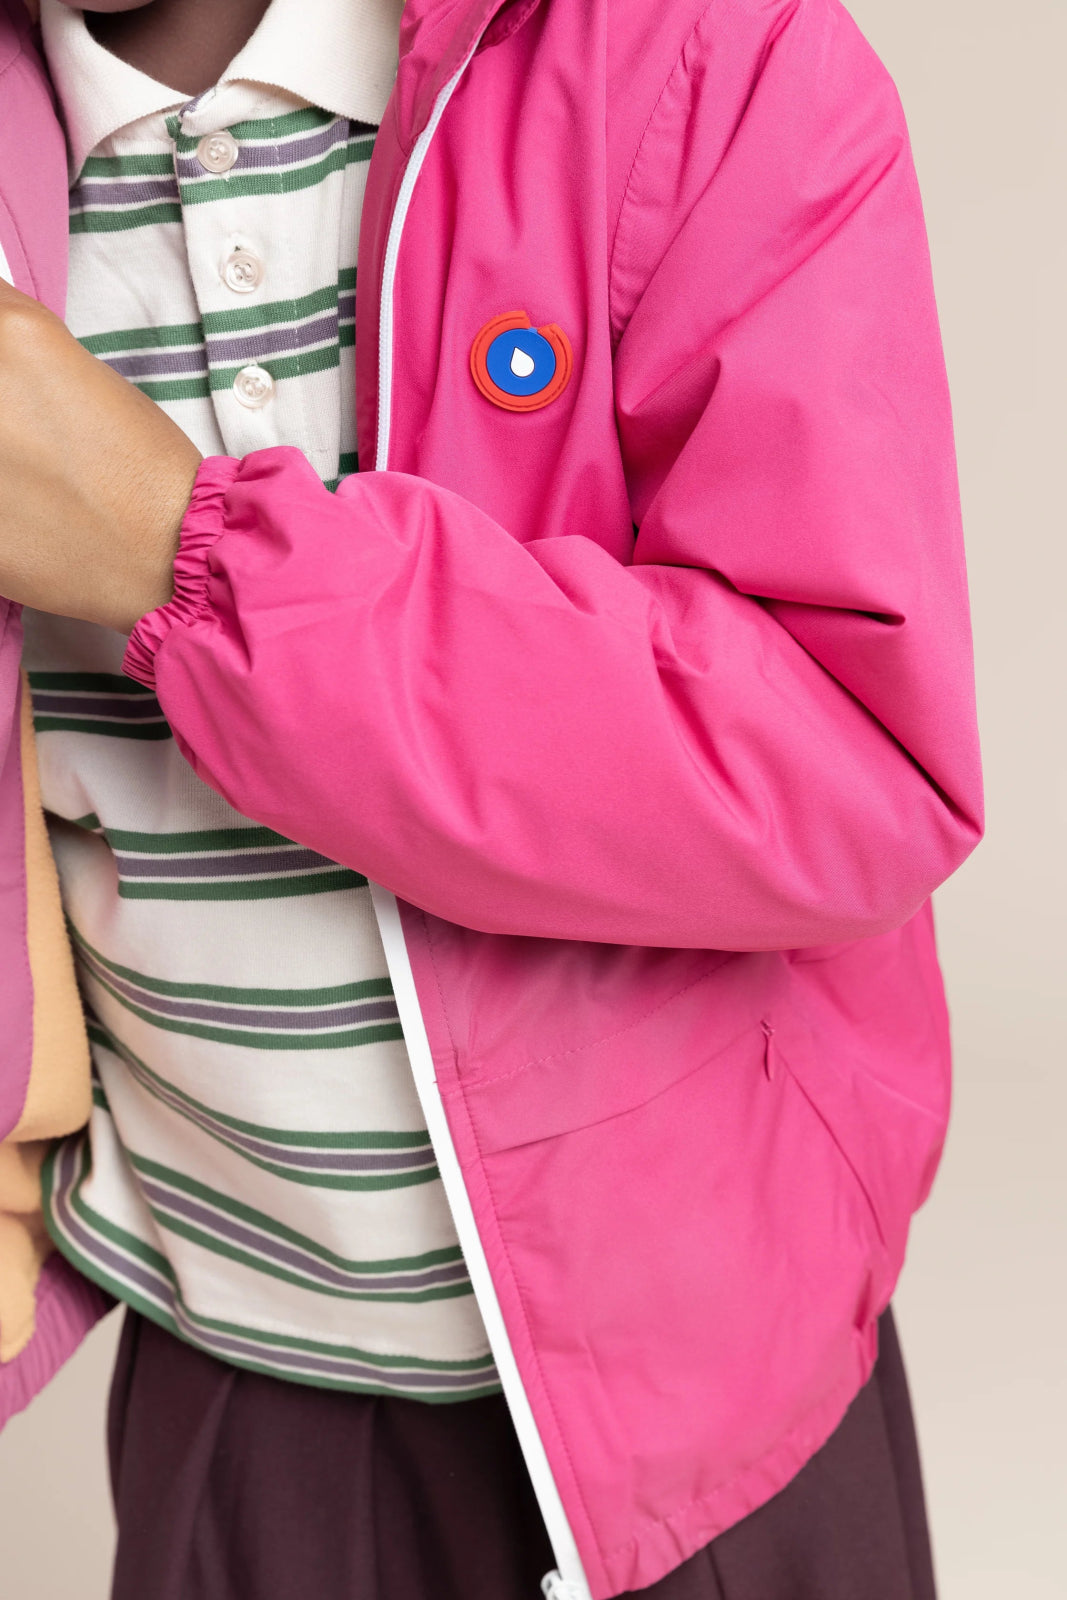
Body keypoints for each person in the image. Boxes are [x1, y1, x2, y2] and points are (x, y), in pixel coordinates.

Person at [0, 0, 982, 1593]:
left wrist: (186, 553)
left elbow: (852, 766)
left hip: (701, 1416)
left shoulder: (699, 59)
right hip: (225, 1368)